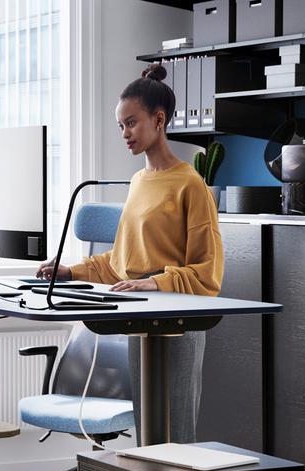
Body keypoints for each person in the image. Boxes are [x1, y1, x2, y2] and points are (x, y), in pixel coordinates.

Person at [37, 64, 224, 442]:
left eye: (131, 123)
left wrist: (153, 284)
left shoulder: (191, 185)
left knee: (175, 435)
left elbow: (208, 274)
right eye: (120, 125)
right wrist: (70, 271)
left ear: (159, 120)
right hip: (140, 320)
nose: (125, 133)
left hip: (176, 325)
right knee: (147, 435)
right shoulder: (139, 182)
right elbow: (121, 263)